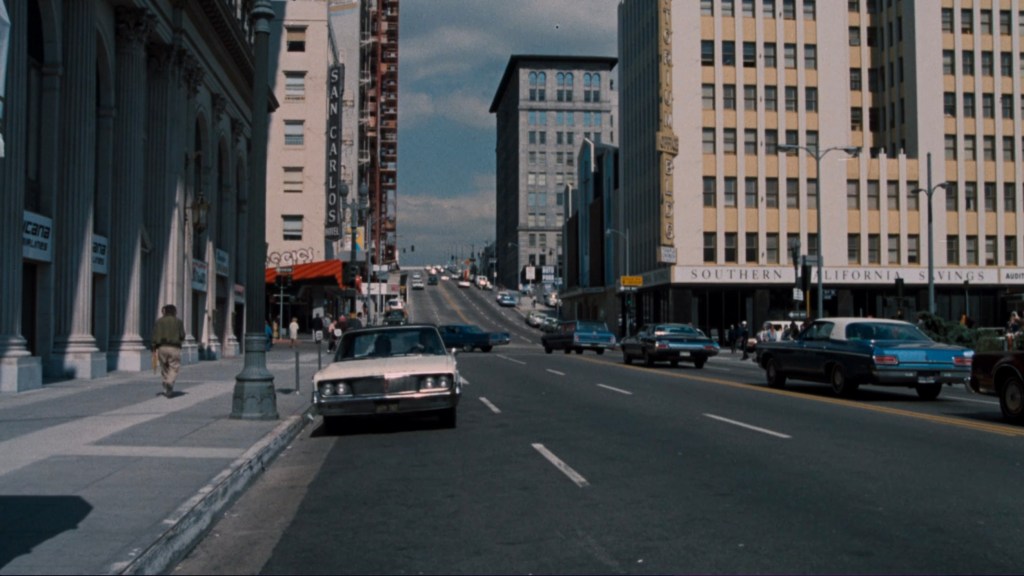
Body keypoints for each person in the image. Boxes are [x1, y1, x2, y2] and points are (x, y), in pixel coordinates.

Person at [152, 304, 186, 397]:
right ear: (174, 311)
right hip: (174, 347)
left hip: (161, 347)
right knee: (174, 366)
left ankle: (167, 389)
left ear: (165, 311)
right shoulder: (178, 321)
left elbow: (155, 335)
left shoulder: (159, 322)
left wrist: (154, 346)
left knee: (164, 368)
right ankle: (169, 382)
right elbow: (182, 335)